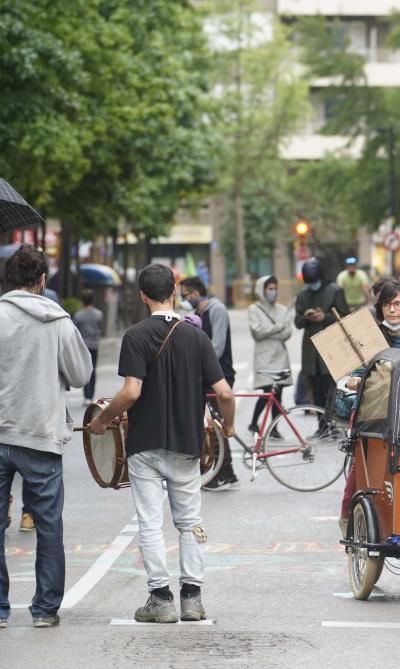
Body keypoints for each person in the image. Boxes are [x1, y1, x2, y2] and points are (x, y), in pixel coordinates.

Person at [88, 263, 236, 624]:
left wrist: (102, 420)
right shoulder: (196, 337)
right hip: (187, 444)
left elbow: (131, 391)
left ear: (142, 295)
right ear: (174, 291)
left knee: (150, 523)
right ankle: (192, 597)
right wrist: (228, 426)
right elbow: (225, 392)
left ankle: (160, 598)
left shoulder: (135, 336)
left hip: (145, 445)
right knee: (190, 522)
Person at [0, 245, 93, 629]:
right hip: (40, 435)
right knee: (48, 525)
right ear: (43, 280)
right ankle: (44, 610)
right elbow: (81, 375)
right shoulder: (59, 322)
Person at [340, 281, 400, 535]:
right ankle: (348, 515)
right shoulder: (372, 337)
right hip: (375, 414)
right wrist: (354, 378)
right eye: (386, 305)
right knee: (364, 464)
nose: (392, 310)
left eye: (398, 304)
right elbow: (359, 369)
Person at [179, 276, 238, 491]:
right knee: (213, 422)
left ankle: (224, 471)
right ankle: (224, 470)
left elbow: (218, 346)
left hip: (220, 374)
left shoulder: (217, 309)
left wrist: (197, 360)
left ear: (195, 292)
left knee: (217, 423)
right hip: (206, 375)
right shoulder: (197, 314)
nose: (184, 299)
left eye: (185, 294)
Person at [295, 258, 350, 413]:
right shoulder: (303, 295)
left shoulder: (335, 291)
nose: (312, 284)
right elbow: (297, 322)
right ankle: (321, 426)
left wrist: (324, 317)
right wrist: (306, 316)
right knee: (316, 389)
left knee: (331, 389)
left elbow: (345, 316)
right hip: (310, 350)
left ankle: (331, 425)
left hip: (331, 347)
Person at [247, 276, 294, 434]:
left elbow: (287, 333)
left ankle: (274, 428)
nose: (273, 292)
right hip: (264, 357)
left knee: (278, 393)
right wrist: (278, 327)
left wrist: (271, 330)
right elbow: (257, 332)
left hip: (280, 356)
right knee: (268, 392)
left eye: (275, 288)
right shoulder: (254, 309)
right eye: (270, 289)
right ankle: (253, 423)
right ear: (262, 290)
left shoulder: (282, 309)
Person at [73, 288, 104, 403]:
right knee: (93, 370)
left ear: (82, 301)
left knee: (85, 370)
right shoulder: (99, 314)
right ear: (93, 300)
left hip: (83, 346)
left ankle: (86, 396)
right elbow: (101, 328)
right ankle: (91, 396)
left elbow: (75, 331)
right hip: (94, 345)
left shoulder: (78, 315)